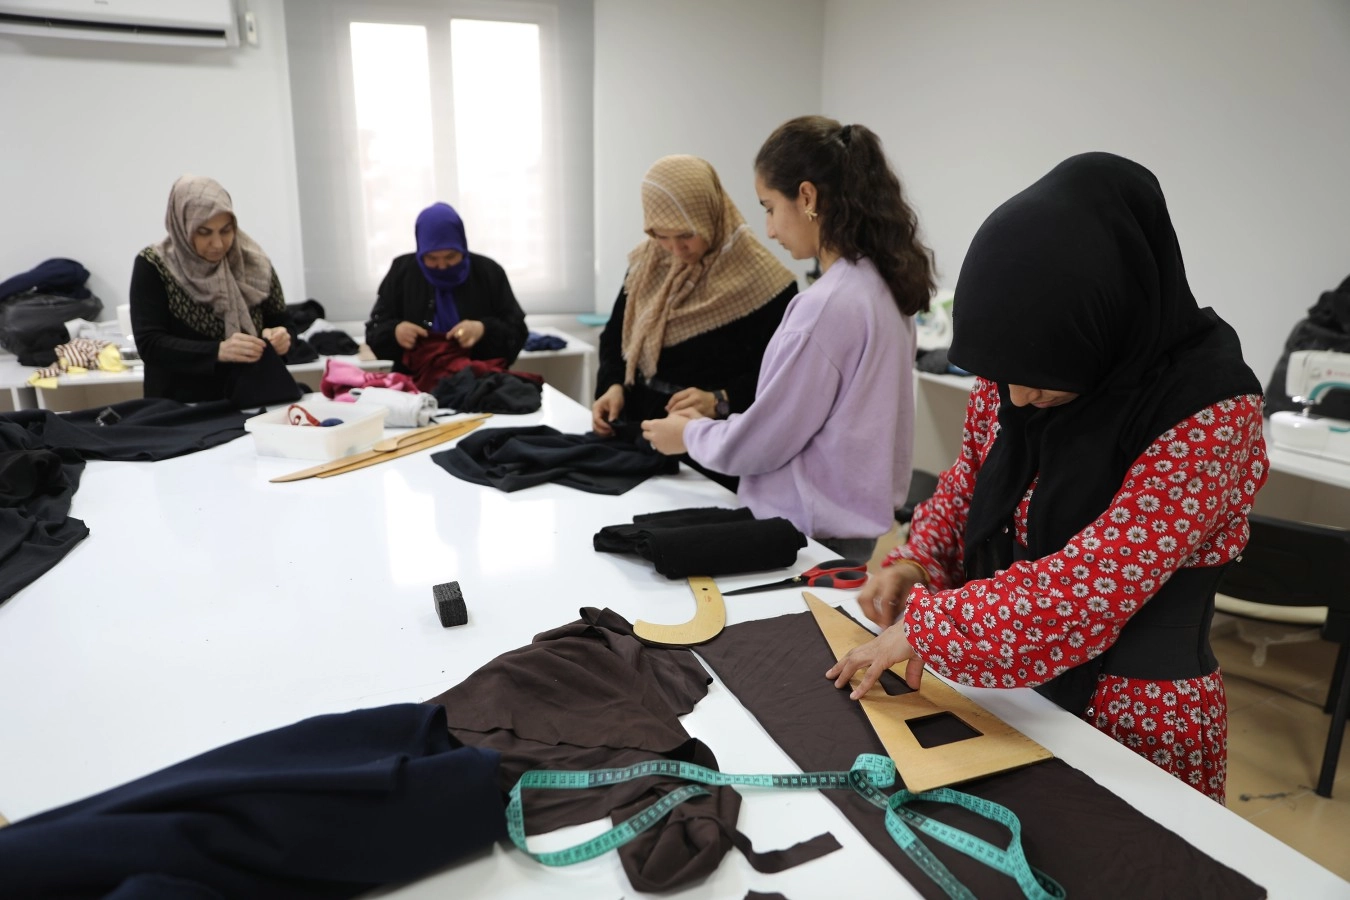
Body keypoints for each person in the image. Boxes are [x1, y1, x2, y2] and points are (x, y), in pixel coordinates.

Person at [827, 152, 1268, 804]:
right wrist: (921, 560)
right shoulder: (1019, 363)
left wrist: (930, 627)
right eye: (1003, 379)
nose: (1017, 398)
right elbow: (972, 477)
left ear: (1101, 320)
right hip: (1005, 683)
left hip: (1128, 718)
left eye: (1039, 381)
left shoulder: (1209, 409)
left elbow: (1095, 582)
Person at [640, 118, 934, 559]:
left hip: (805, 534)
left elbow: (765, 440)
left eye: (770, 207)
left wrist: (689, 434)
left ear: (807, 197)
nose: (771, 229)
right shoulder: (883, 286)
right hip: (846, 533)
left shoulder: (826, 307)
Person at [591, 155, 798, 469]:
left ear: (711, 215)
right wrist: (613, 386)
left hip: (709, 455)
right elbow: (616, 337)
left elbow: (779, 379)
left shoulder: (767, 284)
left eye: (686, 235)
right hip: (637, 437)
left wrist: (721, 399)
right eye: (661, 235)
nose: (675, 249)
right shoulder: (647, 265)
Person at [130, 175, 292, 402]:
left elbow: (282, 322)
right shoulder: (154, 265)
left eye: (226, 230)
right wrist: (218, 351)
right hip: (180, 406)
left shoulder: (254, 264)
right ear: (182, 226)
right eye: (204, 232)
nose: (218, 244)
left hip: (250, 399)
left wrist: (281, 337)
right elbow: (150, 344)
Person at [365, 202, 527, 371]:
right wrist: (396, 332)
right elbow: (375, 331)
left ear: (462, 247)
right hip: (415, 380)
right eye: (432, 258)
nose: (442, 266)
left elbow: (517, 331)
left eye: (451, 256)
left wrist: (483, 330)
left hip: (479, 378)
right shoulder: (402, 272)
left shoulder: (488, 272)